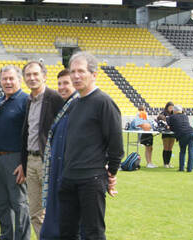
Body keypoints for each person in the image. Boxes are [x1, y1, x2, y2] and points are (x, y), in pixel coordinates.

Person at [59, 52, 123, 239]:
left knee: (93, 233)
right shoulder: (74, 104)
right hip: (69, 177)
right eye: (73, 71)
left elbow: (116, 144)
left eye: (81, 71)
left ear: (94, 75)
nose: (76, 76)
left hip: (91, 179)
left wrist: (110, 173)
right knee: (67, 232)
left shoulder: (104, 102)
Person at [20, 61, 64, 236]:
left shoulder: (55, 98)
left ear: (44, 76)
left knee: (53, 211)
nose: (32, 78)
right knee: (35, 213)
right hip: (31, 162)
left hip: (49, 162)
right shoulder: (29, 101)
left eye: (35, 74)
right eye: (28, 75)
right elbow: (28, 133)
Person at [0, 65, 30, 240]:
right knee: (1, 205)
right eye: (4, 79)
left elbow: (30, 134)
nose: (7, 82)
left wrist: (24, 163)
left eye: (11, 78)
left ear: (19, 80)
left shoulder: (26, 101)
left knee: (19, 205)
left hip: (16, 160)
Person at [40, 69, 79, 239]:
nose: (62, 87)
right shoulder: (65, 107)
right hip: (57, 174)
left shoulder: (78, 107)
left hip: (70, 176)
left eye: (66, 83)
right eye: (60, 84)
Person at [166, 105, 193, 172]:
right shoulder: (185, 116)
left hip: (182, 134)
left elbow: (170, 127)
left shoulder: (171, 117)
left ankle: (181, 168)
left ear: (174, 111)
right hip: (192, 132)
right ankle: (189, 169)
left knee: (182, 151)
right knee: (191, 151)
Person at [159, 102, 176, 168]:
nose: (171, 109)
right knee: (166, 147)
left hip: (172, 132)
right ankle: (165, 163)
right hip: (165, 133)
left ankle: (168, 162)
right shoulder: (163, 113)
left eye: (172, 108)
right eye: (170, 107)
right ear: (167, 107)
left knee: (170, 148)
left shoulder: (174, 113)